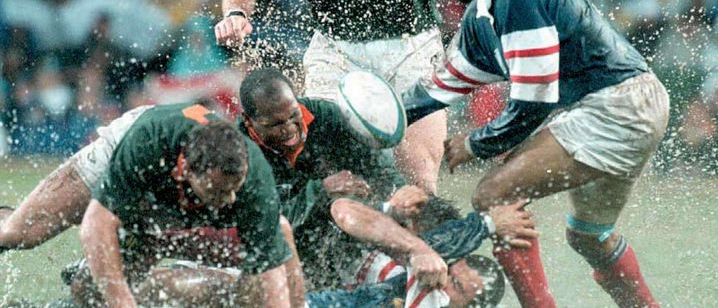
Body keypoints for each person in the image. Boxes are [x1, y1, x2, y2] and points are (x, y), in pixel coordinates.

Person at [402, 0, 670, 308]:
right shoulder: (484, 13)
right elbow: (442, 87)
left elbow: (532, 101)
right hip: (624, 106)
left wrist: (476, 144)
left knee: (494, 195)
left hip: (617, 108)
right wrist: (375, 121)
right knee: (588, 236)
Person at [214, 0, 508, 194]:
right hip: (335, 52)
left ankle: (419, 231)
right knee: (330, 173)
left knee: (420, 180)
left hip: (413, 46)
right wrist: (236, 15)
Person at [0, 104, 304, 307]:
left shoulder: (253, 181)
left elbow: (272, 275)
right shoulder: (146, 146)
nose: (228, 202)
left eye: (233, 190)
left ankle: (90, 269)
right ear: (186, 171)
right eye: (217, 190)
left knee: (88, 291)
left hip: (169, 187)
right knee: (20, 233)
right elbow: (96, 225)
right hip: (133, 147)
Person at [94, 189, 537, 308]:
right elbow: (346, 210)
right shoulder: (403, 247)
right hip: (299, 277)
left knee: (225, 286)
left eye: (457, 284)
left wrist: (483, 223)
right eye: (455, 270)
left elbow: (430, 254)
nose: (444, 272)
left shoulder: (419, 287)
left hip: (301, 293)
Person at [238, 67, 408, 288]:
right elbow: (265, 224)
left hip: (346, 242)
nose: (289, 129)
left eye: (293, 115)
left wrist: (403, 197)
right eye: (276, 124)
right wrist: (321, 190)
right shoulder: (238, 154)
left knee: (402, 278)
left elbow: (382, 173)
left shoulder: (327, 116)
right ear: (249, 122)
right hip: (283, 262)